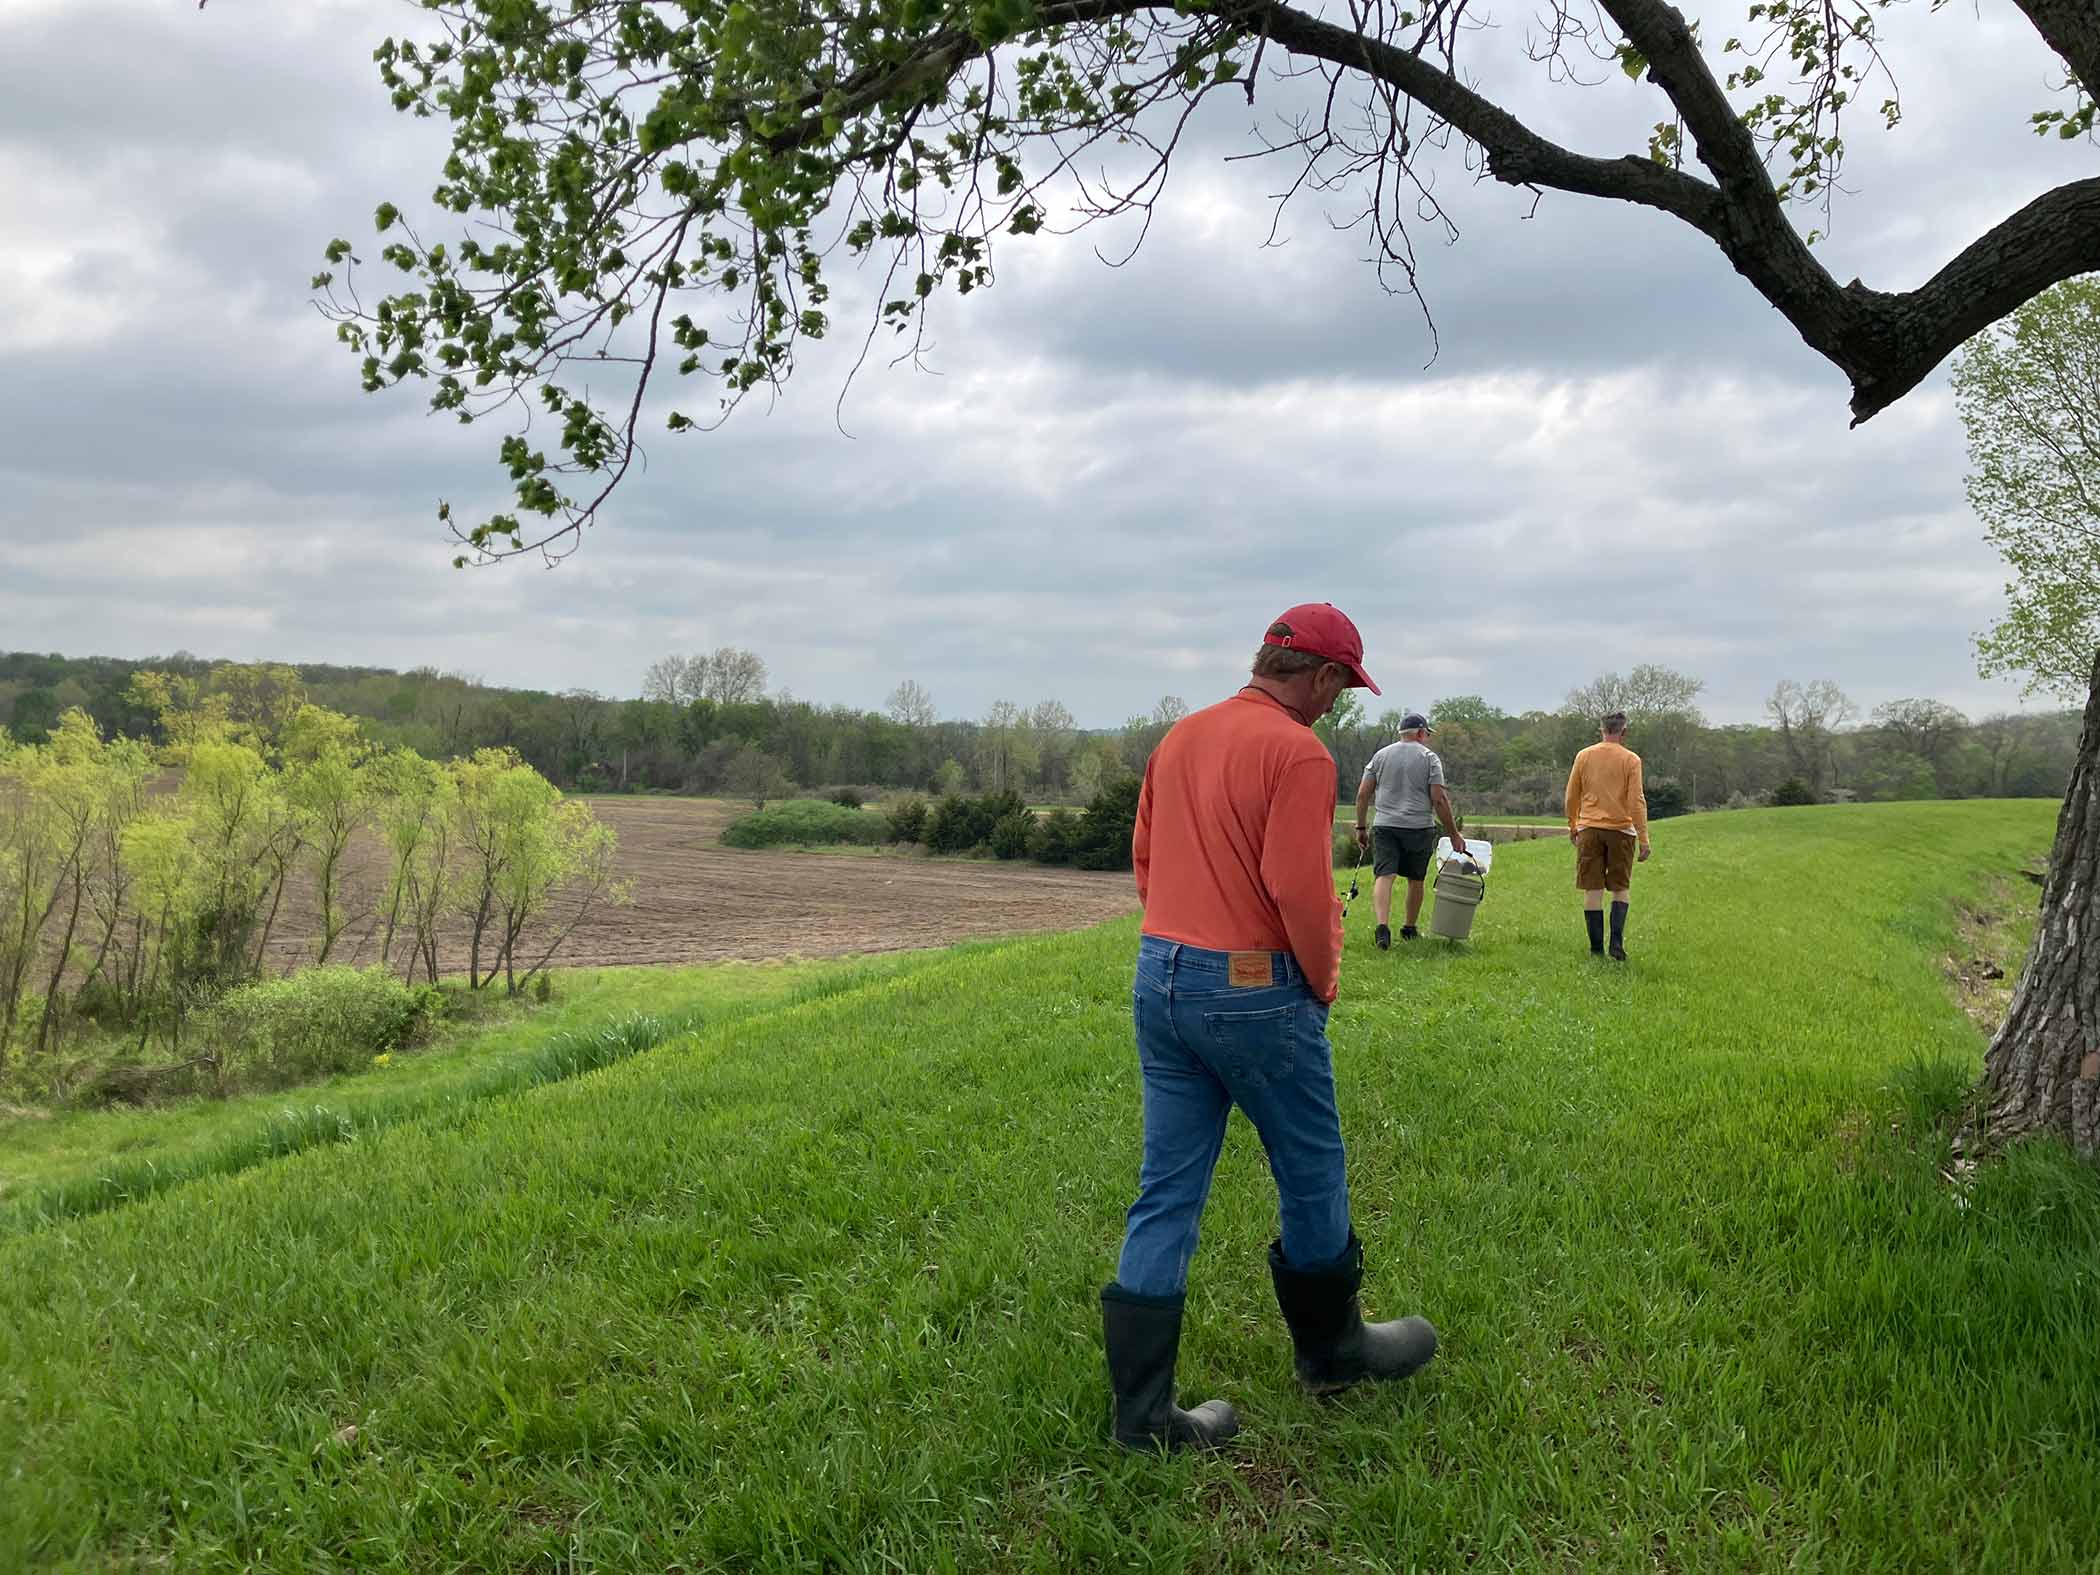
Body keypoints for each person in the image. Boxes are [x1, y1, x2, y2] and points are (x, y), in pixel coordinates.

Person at [1102, 602, 1438, 1453]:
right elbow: (1297, 889)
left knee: (1166, 1188)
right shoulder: (1297, 751)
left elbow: (1145, 857)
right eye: (1341, 685)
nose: (1338, 703)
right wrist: (1319, 979)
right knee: (1311, 1164)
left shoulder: (1181, 735)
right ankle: (1333, 1353)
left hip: (1160, 973)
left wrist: (1184, 943)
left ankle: (1142, 1418)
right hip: (1254, 987)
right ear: (1320, 674)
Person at [1354, 714, 1466, 948]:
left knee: (1384, 875)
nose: (1427, 739)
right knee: (1416, 879)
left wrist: (1361, 827)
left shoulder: (1380, 756)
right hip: (1418, 827)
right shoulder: (1429, 758)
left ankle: (1382, 927)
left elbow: (1363, 793)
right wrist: (1453, 833)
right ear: (1420, 733)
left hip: (1385, 825)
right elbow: (1439, 798)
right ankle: (1409, 927)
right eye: (1427, 734)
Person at [1564, 710, 1652, 960]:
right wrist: (1643, 838)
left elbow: (1572, 795)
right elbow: (1637, 801)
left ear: (1601, 730)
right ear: (1624, 732)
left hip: (1589, 829)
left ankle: (1595, 950)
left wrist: (1573, 825)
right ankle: (1616, 943)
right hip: (1621, 831)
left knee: (1592, 889)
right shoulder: (1631, 760)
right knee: (1620, 887)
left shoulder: (1584, 756)